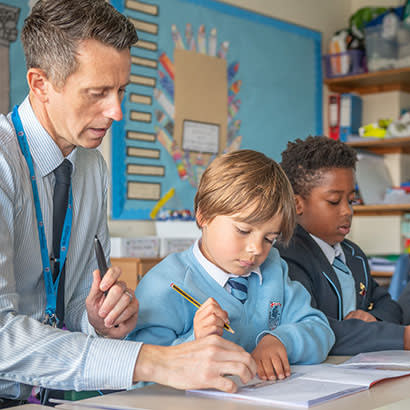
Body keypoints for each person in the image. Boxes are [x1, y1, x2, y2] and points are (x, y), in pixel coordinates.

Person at [0, 0, 256, 405]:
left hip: (53, 396)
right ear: (40, 84)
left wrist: (97, 321)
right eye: (97, 93)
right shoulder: (2, 164)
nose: (116, 111)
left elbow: (71, 312)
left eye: (121, 91)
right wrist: (155, 361)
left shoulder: (91, 167)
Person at [128, 150, 335, 381]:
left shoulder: (273, 268)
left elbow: (319, 329)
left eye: (269, 238)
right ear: (204, 215)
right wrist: (195, 342)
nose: (257, 249)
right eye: (243, 231)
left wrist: (279, 340)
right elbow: (139, 378)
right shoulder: (163, 286)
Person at [276, 135, 410, 355]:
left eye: (351, 200)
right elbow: (316, 328)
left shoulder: (352, 254)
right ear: (297, 204)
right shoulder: (286, 257)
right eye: (334, 201)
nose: (347, 211)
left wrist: (373, 318)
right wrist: (400, 337)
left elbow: (389, 306)